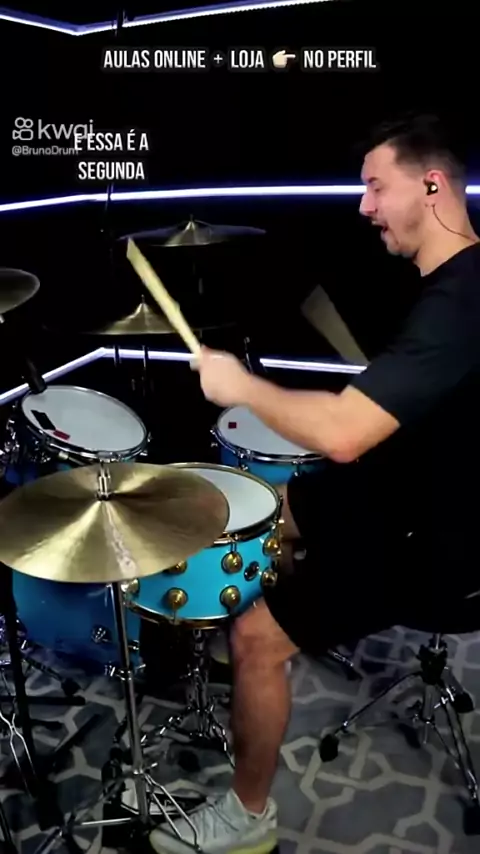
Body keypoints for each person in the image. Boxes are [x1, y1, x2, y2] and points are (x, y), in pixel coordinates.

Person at [149, 112, 480, 854]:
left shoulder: (461, 303)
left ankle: (247, 817)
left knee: (256, 637)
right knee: (270, 508)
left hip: (439, 538)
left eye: (376, 187)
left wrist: (240, 386)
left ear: (432, 185)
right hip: (412, 485)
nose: (363, 206)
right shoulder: (451, 285)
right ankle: (259, 628)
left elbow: (344, 433)